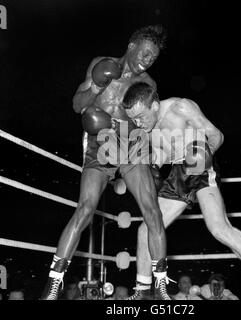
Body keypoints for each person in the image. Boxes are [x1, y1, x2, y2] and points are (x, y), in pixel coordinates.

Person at [122, 82, 241, 300]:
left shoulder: (181, 107)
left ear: (154, 105)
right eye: (133, 119)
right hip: (177, 174)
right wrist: (149, 166)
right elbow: (164, 154)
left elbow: (216, 136)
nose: (137, 123)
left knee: (219, 228)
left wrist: (200, 157)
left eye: (140, 116)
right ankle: (143, 293)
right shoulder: (147, 128)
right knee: (146, 229)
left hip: (199, 164)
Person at [41, 25, 171, 300]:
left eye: (153, 58)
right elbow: (78, 105)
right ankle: (54, 283)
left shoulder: (149, 85)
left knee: (152, 211)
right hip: (100, 144)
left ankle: (160, 286)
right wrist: (97, 85)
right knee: (85, 208)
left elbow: (148, 124)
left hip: (131, 143)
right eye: (145, 53)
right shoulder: (100, 65)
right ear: (131, 45)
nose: (147, 60)